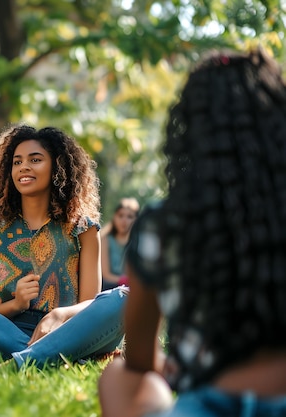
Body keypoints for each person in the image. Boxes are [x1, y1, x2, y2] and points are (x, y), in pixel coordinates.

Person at [98, 48, 286, 417]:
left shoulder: (163, 223)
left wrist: (179, 362)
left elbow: (138, 358)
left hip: (206, 404)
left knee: (119, 375)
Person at [0, 125, 128, 375]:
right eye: (17, 162)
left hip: (71, 328)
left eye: (35, 160)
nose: (23, 167)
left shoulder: (83, 228)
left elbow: (89, 304)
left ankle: (9, 366)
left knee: (125, 298)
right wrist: (15, 304)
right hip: (8, 330)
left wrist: (60, 315)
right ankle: (57, 359)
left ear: (58, 167)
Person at [100, 197, 139, 290]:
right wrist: (124, 281)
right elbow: (105, 274)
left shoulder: (137, 242)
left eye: (130, 217)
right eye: (120, 215)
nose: (124, 220)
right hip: (108, 287)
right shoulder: (105, 239)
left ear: (136, 220)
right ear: (114, 217)